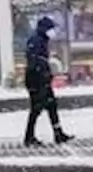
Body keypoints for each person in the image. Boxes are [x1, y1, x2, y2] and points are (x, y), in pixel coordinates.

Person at [24, 16, 71, 147]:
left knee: (51, 105)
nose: (53, 32)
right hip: (37, 80)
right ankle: (29, 137)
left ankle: (58, 133)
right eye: (51, 29)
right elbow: (34, 60)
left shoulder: (41, 40)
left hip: (41, 78)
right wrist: (42, 73)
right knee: (36, 108)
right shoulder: (36, 40)